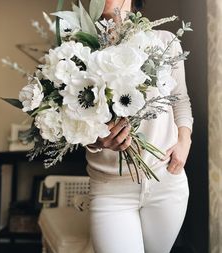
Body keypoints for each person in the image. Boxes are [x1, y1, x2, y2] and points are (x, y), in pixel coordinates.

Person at [86, 0, 193, 252]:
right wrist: (97, 140)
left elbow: (180, 100)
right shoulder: (80, 51)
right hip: (110, 190)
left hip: (166, 181)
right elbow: (72, 124)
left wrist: (184, 142)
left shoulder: (165, 40)